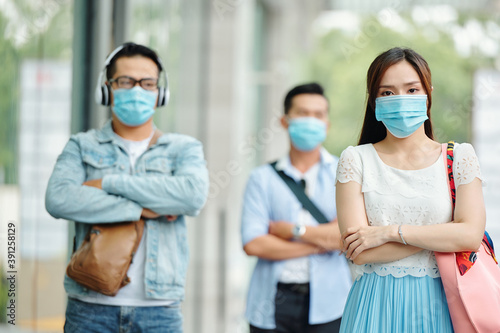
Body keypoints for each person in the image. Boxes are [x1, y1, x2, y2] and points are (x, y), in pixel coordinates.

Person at [45, 42, 209, 333]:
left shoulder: (183, 148)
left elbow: (192, 195)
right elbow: (59, 199)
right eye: (125, 81)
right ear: (107, 89)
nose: (137, 90)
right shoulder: (82, 145)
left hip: (160, 311)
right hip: (89, 308)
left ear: (160, 92)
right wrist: (145, 209)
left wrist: (109, 183)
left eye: (147, 83)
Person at [336, 47, 485, 332]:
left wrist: (389, 233)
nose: (400, 100)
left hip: (443, 303)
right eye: (387, 93)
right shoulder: (355, 159)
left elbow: (470, 236)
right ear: (374, 101)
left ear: (428, 93)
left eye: (412, 89)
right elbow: (360, 252)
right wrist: (444, 233)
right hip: (374, 305)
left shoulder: (459, 157)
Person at [241, 83, 352, 333]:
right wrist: (323, 242)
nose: (311, 120)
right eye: (303, 113)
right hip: (271, 302)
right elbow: (254, 244)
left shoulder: (345, 172)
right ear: (284, 121)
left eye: (318, 115)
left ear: (327, 123)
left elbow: (346, 237)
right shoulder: (262, 178)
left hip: (331, 303)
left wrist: (292, 230)